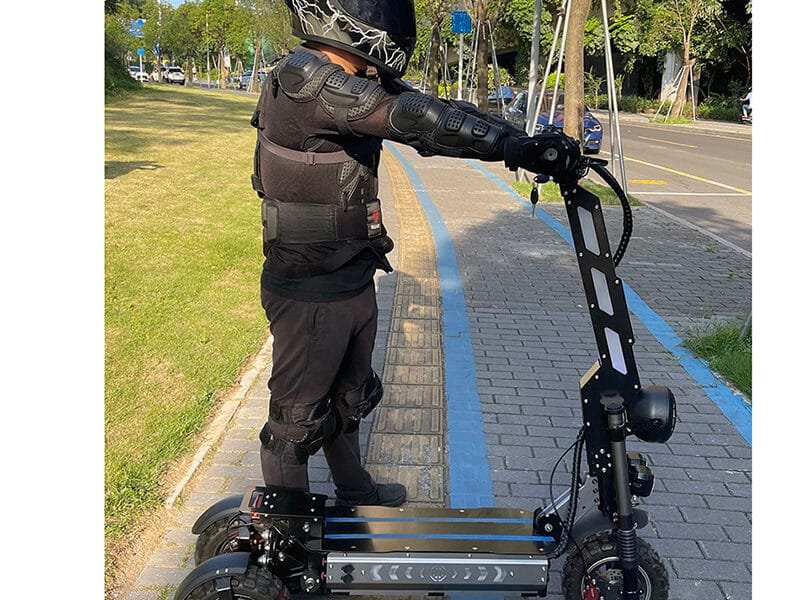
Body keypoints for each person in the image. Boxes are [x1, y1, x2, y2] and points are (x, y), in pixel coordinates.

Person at [251, 0, 581, 507]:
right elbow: (414, 119)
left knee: (349, 398)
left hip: (350, 273)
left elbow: (436, 111)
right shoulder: (307, 79)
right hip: (310, 286)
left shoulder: (350, 77)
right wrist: (513, 150)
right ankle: (285, 534)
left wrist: (526, 142)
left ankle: (355, 492)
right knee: (296, 421)